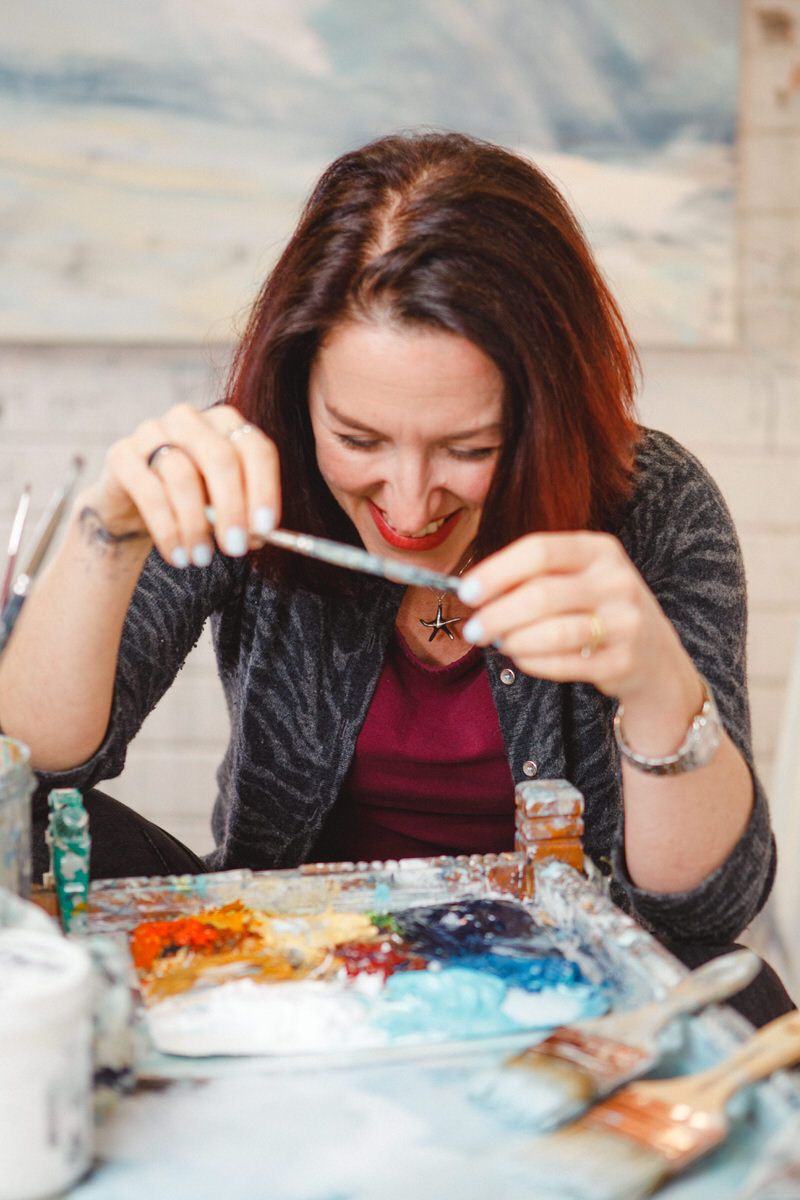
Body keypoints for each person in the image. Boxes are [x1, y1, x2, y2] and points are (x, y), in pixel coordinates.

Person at [0, 131, 790, 1023]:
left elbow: (705, 913)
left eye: (471, 449)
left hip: (559, 979)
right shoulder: (246, 469)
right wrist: (106, 532)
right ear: (301, 394)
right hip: (284, 954)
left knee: (744, 998)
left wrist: (656, 680)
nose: (409, 506)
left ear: (548, 413)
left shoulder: (657, 506)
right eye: (360, 440)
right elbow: (29, 772)